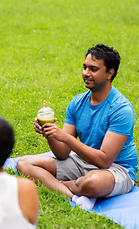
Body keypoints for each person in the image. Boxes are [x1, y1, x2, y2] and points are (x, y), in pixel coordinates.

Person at [17, 44, 138, 210]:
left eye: (93, 69)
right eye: (85, 67)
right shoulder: (77, 103)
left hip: (117, 167)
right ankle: (75, 196)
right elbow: (63, 153)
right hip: (84, 160)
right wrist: (51, 134)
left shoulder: (121, 109)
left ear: (110, 73)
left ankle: (59, 185)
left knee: (93, 183)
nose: (86, 73)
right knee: (24, 164)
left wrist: (65, 137)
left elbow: (104, 160)